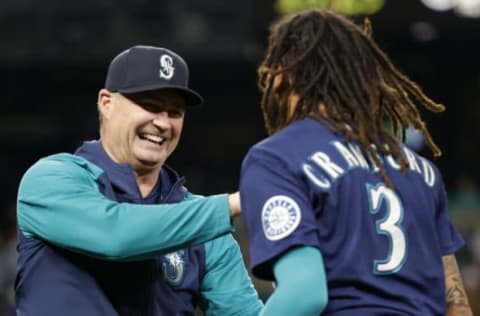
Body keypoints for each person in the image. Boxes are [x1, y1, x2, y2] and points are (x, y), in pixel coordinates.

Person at [239, 9, 473, 316]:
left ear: (281, 75)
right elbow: (456, 303)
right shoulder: (420, 170)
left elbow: (304, 293)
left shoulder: (276, 157)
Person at [16, 45, 263, 315]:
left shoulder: (205, 230)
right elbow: (115, 235)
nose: (163, 123)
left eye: (175, 112)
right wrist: (237, 203)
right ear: (106, 103)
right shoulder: (51, 180)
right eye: (150, 106)